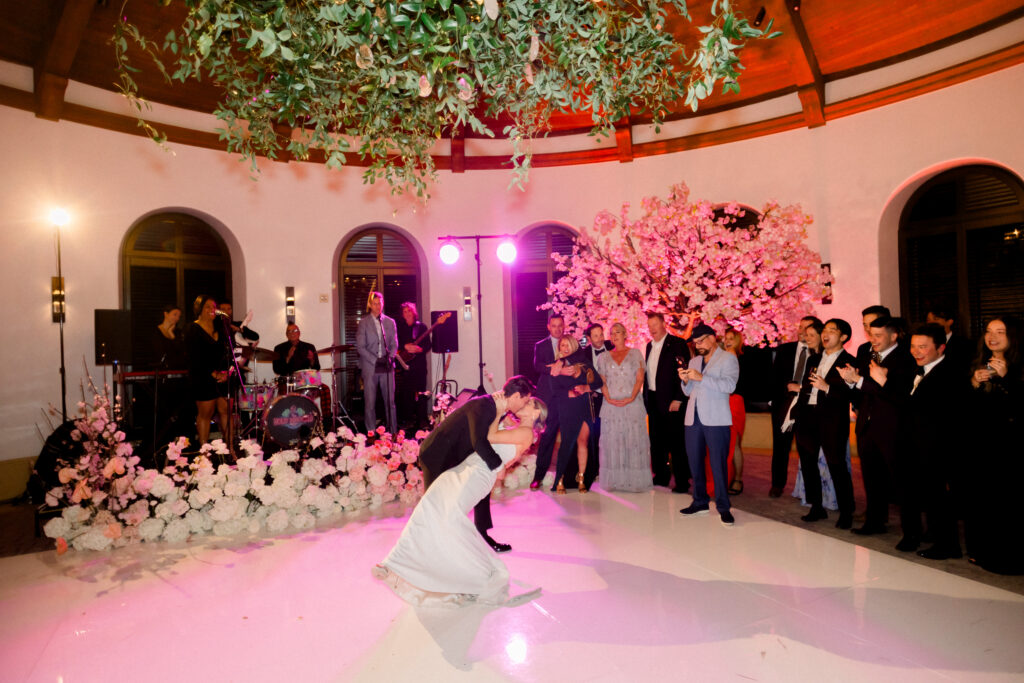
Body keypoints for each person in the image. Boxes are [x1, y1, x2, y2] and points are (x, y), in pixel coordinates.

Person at [375, 396, 547, 606]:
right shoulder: (514, 426)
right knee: (429, 506)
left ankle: (476, 575)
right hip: (465, 466)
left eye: (529, 404)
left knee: (451, 520)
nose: (522, 405)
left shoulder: (527, 433)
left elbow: (489, 436)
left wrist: (499, 410)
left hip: (479, 474)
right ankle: (394, 563)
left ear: (536, 413)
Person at [417, 375, 536, 553]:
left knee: (482, 489)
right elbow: (479, 442)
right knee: (433, 503)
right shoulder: (483, 405)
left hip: (456, 455)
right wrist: (499, 466)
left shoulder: (497, 407)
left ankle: (482, 535)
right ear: (517, 395)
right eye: (525, 400)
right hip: (436, 454)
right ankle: (424, 548)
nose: (524, 405)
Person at [839, 316, 916, 542]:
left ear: (894, 336)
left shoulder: (905, 358)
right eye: (871, 334)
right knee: (872, 478)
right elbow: (862, 394)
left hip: (893, 427)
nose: (873, 339)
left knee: (902, 482)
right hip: (867, 425)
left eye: (879, 335)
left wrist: (861, 381)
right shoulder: (868, 355)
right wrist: (851, 382)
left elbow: (897, 393)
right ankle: (875, 521)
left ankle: (911, 532)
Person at [965, 317, 1023, 574]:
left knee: (1008, 504)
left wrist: (1006, 378)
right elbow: (972, 409)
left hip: (1011, 447)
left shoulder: (1019, 365)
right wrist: (975, 385)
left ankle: (1010, 559)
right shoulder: (979, 361)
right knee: (985, 501)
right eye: (988, 331)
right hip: (983, 444)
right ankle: (985, 552)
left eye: (1000, 332)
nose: (992, 336)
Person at [902, 323, 961, 560]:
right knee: (930, 497)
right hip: (920, 446)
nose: (916, 351)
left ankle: (948, 546)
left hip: (938, 448)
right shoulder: (919, 370)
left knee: (940, 499)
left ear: (940, 348)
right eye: (913, 346)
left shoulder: (948, 373)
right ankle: (937, 537)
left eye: (923, 347)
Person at [792, 318, 857, 527]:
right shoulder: (814, 359)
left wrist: (827, 387)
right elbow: (805, 386)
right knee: (808, 464)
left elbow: (851, 393)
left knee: (837, 466)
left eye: (832, 330)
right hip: (807, 417)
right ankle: (816, 506)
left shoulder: (849, 361)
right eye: (825, 330)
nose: (825, 334)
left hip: (832, 420)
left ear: (844, 337)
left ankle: (847, 512)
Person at [678, 324, 740, 526]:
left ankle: (723, 507)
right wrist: (685, 380)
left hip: (716, 419)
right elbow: (688, 392)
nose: (698, 346)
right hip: (692, 418)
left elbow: (729, 386)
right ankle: (700, 501)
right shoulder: (694, 360)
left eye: (701, 341)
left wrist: (701, 377)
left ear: (713, 338)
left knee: (718, 465)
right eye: (695, 343)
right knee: (694, 463)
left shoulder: (728, 358)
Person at [595, 323, 651, 492]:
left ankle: (633, 481)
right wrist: (609, 398)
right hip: (611, 406)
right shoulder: (603, 357)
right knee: (613, 442)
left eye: (618, 332)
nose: (615, 335)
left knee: (632, 441)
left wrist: (631, 397)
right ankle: (614, 481)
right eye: (612, 333)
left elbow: (640, 378)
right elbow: (602, 381)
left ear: (625, 334)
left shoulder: (635, 354)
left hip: (632, 404)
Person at [769, 315, 821, 497]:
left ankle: (810, 492)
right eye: (800, 327)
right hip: (783, 404)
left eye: (807, 328)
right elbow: (774, 378)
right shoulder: (785, 350)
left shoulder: (818, 353)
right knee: (780, 447)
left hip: (806, 407)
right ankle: (777, 484)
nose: (802, 331)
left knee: (806, 449)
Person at [644, 312, 692, 492]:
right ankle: (661, 476)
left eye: (655, 324)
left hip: (673, 402)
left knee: (677, 443)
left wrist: (679, 398)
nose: (652, 328)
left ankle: (682, 481)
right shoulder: (649, 346)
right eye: (649, 326)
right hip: (654, 401)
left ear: (664, 324)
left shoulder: (677, 343)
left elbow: (685, 371)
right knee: (657, 442)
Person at [562, 323, 613, 490]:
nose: (599, 338)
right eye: (595, 336)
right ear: (589, 339)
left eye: (601, 334)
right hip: (590, 400)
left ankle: (609, 469)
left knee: (609, 434)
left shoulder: (613, 348)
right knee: (591, 436)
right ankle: (590, 470)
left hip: (611, 398)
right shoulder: (582, 354)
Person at [550, 334, 603, 493]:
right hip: (567, 408)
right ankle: (560, 478)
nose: (565, 348)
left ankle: (581, 478)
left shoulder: (584, 363)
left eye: (568, 345)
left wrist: (585, 388)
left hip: (584, 407)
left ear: (574, 346)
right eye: (562, 346)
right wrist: (569, 393)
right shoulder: (556, 366)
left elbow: (598, 382)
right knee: (566, 443)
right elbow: (554, 390)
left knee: (583, 442)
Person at [184, 295, 232, 446]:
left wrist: (226, 373)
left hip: (222, 377)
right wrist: (213, 373)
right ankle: (204, 454)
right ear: (199, 309)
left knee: (226, 411)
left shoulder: (221, 328)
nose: (213, 310)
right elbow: (194, 357)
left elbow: (230, 353)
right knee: (206, 413)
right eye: (208, 307)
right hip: (203, 377)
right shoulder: (193, 329)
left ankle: (230, 448)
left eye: (214, 307)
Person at [355, 291, 399, 435]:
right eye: (375, 303)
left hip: (386, 366)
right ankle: (371, 433)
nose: (378, 306)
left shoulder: (390, 322)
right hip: (370, 366)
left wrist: (390, 357)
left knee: (390, 402)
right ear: (370, 305)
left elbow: (394, 343)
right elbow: (360, 347)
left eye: (380, 303)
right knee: (370, 403)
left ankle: (393, 433)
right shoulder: (363, 323)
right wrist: (375, 360)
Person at [530, 313, 565, 489]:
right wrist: (552, 368)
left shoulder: (570, 344)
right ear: (549, 327)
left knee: (570, 438)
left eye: (560, 325)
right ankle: (539, 475)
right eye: (554, 325)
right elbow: (537, 365)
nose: (557, 329)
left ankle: (567, 476)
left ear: (564, 326)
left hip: (567, 398)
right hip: (549, 398)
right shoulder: (541, 345)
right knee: (547, 437)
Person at [395, 302, 430, 432]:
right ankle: (408, 420)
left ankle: (422, 420)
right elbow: (395, 344)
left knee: (421, 393)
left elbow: (428, 345)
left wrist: (418, 349)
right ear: (402, 314)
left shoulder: (421, 327)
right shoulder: (399, 327)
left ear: (413, 312)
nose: (407, 313)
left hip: (419, 365)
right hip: (406, 365)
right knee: (407, 394)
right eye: (404, 311)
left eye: (409, 311)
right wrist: (405, 347)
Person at [722, 327, 747, 495]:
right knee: (723, 443)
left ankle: (737, 479)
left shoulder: (737, 357)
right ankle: (727, 477)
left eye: (732, 338)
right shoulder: (722, 357)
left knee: (734, 442)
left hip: (734, 401)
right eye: (726, 337)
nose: (727, 341)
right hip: (721, 400)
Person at [926, 305, 973, 380]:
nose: (931, 323)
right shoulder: (924, 344)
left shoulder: (963, 344)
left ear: (949, 322)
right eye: (928, 320)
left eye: (936, 319)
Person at [153, 305, 187, 369]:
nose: (177, 318)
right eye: (175, 315)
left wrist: (172, 335)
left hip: (177, 369)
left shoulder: (178, 332)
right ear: (166, 314)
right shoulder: (156, 332)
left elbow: (181, 351)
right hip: (160, 369)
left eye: (179, 316)